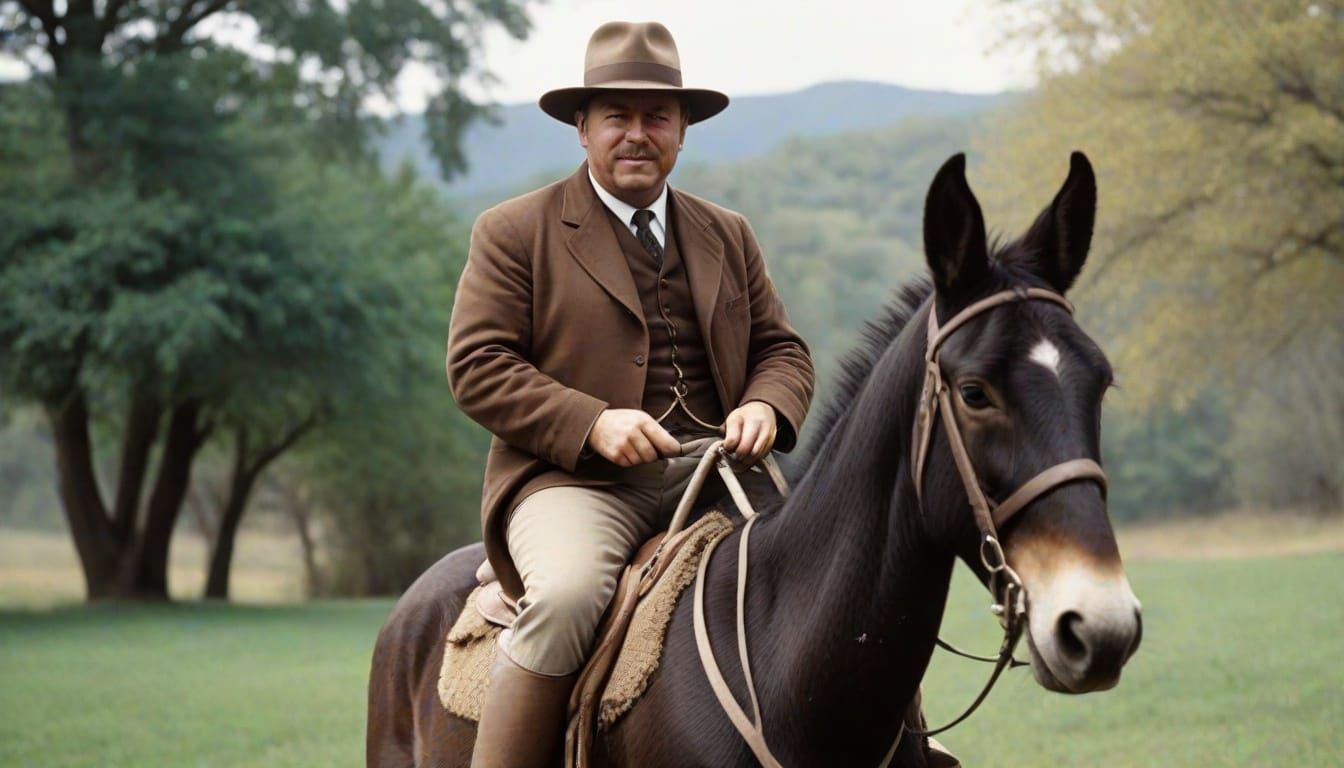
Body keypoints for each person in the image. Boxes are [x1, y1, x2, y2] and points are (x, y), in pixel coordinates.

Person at [446, 20, 815, 768]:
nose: (637, 134)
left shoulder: (729, 233)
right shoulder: (514, 231)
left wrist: (766, 408)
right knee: (568, 596)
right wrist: (591, 423)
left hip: (721, 475)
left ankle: (906, 749)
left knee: (846, 559)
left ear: (682, 131)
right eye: (617, 115)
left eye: (657, 117)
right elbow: (478, 365)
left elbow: (781, 349)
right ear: (582, 129)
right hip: (576, 482)